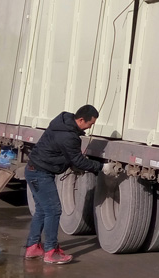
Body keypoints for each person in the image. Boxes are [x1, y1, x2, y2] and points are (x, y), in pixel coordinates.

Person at [24, 105, 113, 265]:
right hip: (40, 174)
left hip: (34, 170)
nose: (90, 128)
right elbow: (78, 160)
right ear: (81, 120)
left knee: (42, 211)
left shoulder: (62, 124)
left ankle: (33, 247)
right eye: (90, 124)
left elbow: (62, 152)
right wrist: (102, 167)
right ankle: (51, 252)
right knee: (53, 210)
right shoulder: (69, 136)